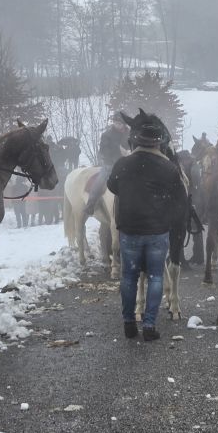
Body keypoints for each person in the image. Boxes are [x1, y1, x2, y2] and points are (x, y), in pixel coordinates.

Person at [107, 122, 187, 341]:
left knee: (129, 277)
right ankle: (150, 325)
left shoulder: (123, 163)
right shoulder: (169, 167)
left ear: (137, 142)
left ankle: (129, 323)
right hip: (156, 232)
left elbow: (112, 186)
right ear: (158, 144)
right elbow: (180, 199)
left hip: (129, 231)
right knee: (155, 277)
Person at [83, 114, 130, 216]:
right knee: (99, 181)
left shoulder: (130, 133)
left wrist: (130, 152)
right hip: (111, 164)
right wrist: (118, 153)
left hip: (129, 163)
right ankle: (90, 205)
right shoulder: (107, 135)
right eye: (115, 122)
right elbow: (103, 151)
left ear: (124, 124)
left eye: (119, 123)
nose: (117, 125)